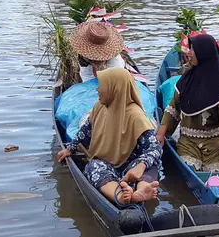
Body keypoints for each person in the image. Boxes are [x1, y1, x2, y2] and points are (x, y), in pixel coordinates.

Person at [57, 68, 161, 205]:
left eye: (102, 86)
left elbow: (155, 148)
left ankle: (140, 191)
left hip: (131, 167)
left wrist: (140, 166)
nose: (97, 90)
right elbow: (85, 131)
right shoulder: (99, 107)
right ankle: (120, 196)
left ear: (114, 89)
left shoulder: (136, 116)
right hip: (107, 164)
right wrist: (70, 148)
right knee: (92, 166)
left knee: (151, 166)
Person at [156, 34, 219, 172]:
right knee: (189, 166)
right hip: (189, 142)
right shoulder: (186, 80)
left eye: (192, 50)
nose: (188, 53)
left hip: (215, 145)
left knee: (215, 172)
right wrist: (160, 135)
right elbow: (172, 110)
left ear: (203, 53)